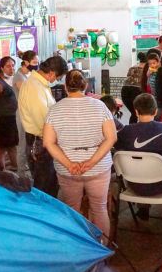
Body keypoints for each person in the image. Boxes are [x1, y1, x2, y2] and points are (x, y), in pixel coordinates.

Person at [43, 70, 117, 240]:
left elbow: (48, 142)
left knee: (72, 208)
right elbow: (111, 137)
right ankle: (102, 247)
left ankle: (78, 247)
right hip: (98, 167)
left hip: (67, 169)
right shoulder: (100, 106)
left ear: (65, 87)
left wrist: (69, 164)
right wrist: (91, 162)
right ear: (86, 85)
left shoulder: (55, 110)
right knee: (99, 208)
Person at [115, 93, 162, 221]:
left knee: (139, 165)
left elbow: (117, 148)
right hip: (161, 185)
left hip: (133, 184)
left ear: (136, 112)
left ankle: (143, 208)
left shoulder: (125, 131)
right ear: (155, 111)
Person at [19, 55, 68, 197]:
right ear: (52, 73)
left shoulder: (40, 85)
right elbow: (43, 121)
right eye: (57, 78)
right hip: (40, 143)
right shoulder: (34, 87)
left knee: (50, 184)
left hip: (44, 140)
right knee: (44, 189)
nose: (56, 81)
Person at [122, 52, 146, 124]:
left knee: (134, 112)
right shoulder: (147, 68)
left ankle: (132, 130)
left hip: (125, 89)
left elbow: (128, 77)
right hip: (136, 90)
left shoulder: (132, 67)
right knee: (137, 112)